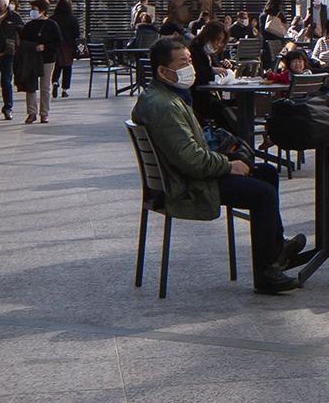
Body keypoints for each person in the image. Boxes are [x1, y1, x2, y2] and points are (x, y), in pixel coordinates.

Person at [129, 36, 303, 294]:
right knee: (263, 193)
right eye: (183, 63)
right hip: (188, 185)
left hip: (184, 176)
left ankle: (274, 254)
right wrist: (228, 165)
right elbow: (191, 159)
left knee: (265, 173)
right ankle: (268, 270)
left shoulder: (166, 97)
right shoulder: (164, 106)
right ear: (163, 71)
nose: (191, 67)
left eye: (190, 60)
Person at [17, 0, 61, 124]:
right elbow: (23, 41)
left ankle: (44, 113)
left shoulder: (52, 25)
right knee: (30, 85)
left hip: (47, 58)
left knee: (45, 86)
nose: (32, 12)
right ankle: (31, 112)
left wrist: (45, 46)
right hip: (31, 57)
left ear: (42, 10)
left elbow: (58, 42)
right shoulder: (29, 26)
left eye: (34, 9)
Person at [51, 0, 82, 99]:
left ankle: (55, 82)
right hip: (69, 46)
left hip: (56, 46)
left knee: (57, 66)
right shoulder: (72, 19)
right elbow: (77, 34)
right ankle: (65, 90)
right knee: (67, 68)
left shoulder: (53, 19)